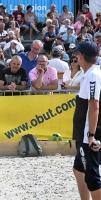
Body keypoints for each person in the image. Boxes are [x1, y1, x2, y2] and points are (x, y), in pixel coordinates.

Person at [72, 41, 101, 200]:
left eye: (77, 54)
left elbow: (94, 105)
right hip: (83, 133)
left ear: (81, 56)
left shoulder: (92, 75)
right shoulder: (91, 73)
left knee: (91, 175)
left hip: (87, 135)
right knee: (78, 171)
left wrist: (91, 135)